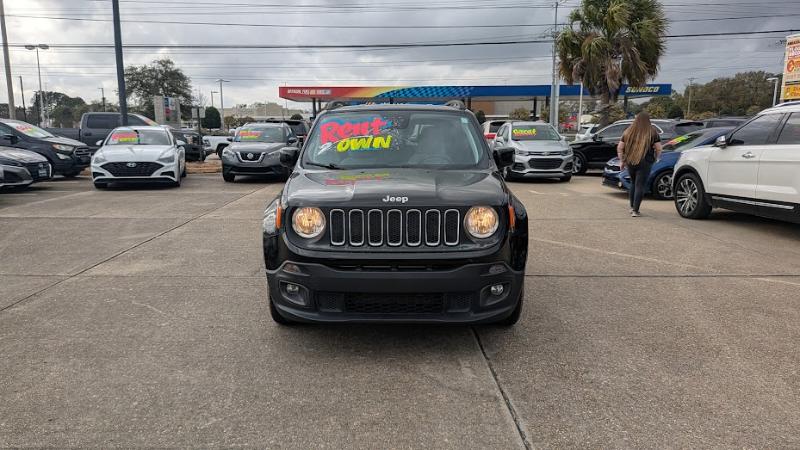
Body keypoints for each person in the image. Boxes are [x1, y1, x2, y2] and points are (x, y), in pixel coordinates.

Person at [617, 112, 662, 217]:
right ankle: (635, 210)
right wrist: (657, 157)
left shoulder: (628, 131)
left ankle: (632, 206)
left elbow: (620, 147)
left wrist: (622, 160)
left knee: (633, 183)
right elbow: (658, 148)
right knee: (640, 185)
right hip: (645, 162)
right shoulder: (652, 132)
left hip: (630, 161)